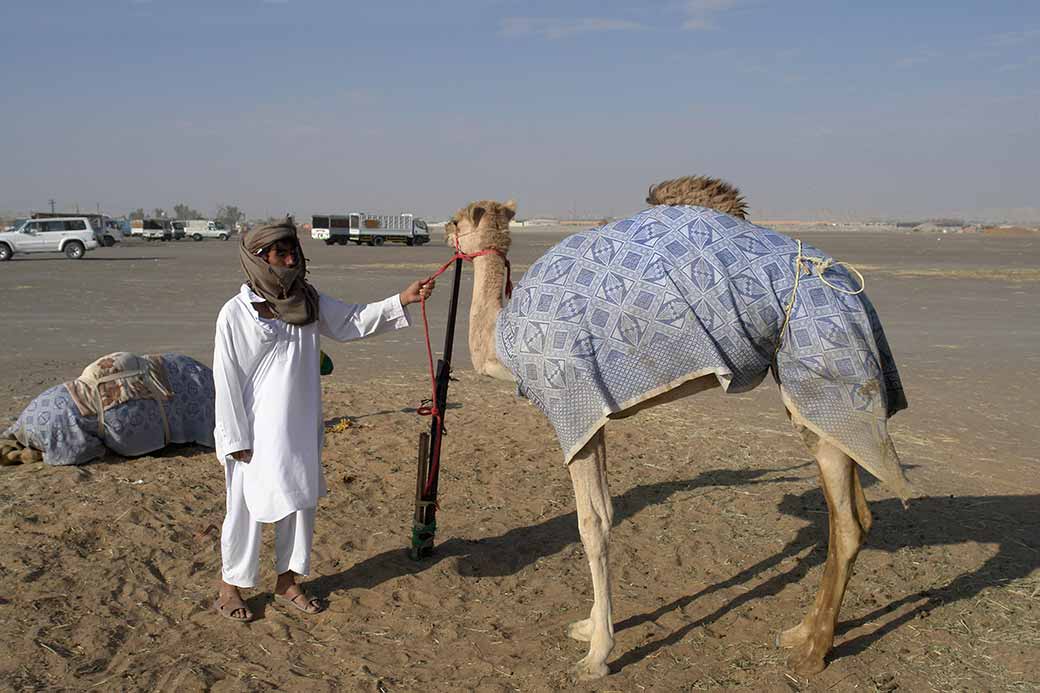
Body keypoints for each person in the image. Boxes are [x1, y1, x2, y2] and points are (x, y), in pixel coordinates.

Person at [212, 219, 434, 621]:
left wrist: (402, 299)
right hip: (253, 433)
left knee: (299, 503)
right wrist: (233, 438)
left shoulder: (308, 300)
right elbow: (226, 378)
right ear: (259, 259)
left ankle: (288, 581)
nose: (291, 260)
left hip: (299, 425)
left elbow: (352, 321)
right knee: (244, 508)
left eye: (294, 252)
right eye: (282, 254)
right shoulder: (235, 314)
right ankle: (231, 586)